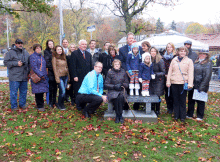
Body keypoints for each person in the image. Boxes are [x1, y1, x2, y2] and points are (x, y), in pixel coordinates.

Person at [166, 46, 194, 122]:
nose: (182, 52)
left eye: (184, 51)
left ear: (186, 52)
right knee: (175, 100)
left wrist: (190, 83)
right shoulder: (174, 60)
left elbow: (191, 73)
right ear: (178, 52)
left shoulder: (189, 61)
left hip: (183, 83)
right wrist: (168, 81)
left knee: (182, 100)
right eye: (181, 51)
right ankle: (176, 115)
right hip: (174, 82)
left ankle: (182, 116)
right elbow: (170, 72)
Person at [4, 39, 30, 110]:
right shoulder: (10, 52)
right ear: (15, 44)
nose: (20, 44)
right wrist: (16, 63)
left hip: (24, 76)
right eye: (18, 43)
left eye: (21, 43)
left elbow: (29, 63)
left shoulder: (26, 52)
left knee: (24, 92)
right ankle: (14, 106)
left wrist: (29, 73)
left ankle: (22, 104)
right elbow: (5, 62)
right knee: (13, 93)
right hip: (14, 76)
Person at [186, 50, 212, 121]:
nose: (202, 55)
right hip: (193, 84)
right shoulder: (195, 62)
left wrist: (201, 87)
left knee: (200, 101)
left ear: (206, 55)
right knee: (191, 100)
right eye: (200, 54)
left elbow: (207, 77)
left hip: (201, 85)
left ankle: (200, 116)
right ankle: (189, 114)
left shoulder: (208, 64)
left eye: (203, 54)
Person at [104, 59, 129, 123]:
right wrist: (114, 86)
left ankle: (119, 115)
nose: (117, 65)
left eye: (118, 64)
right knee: (116, 97)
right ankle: (119, 116)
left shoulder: (123, 72)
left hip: (121, 90)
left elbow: (127, 83)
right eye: (115, 64)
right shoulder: (110, 72)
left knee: (120, 97)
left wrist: (121, 85)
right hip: (113, 90)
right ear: (113, 65)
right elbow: (106, 84)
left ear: (120, 65)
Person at [30, 44, 48, 111]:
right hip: (38, 77)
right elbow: (34, 67)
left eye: (40, 48)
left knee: (41, 92)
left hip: (43, 77)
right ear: (34, 49)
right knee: (38, 92)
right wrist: (41, 75)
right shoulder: (33, 56)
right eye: (37, 48)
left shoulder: (41, 57)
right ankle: (40, 106)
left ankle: (41, 104)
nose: (39, 49)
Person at [52, 45, 70, 110]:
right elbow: (54, 69)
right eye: (58, 49)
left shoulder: (64, 57)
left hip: (65, 76)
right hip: (59, 77)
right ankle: (59, 104)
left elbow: (67, 67)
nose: (59, 51)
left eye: (60, 49)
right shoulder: (54, 58)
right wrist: (57, 78)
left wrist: (68, 77)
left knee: (64, 91)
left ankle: (62, 103)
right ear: (56, 51)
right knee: (62, 91)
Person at [149, 47, 165, 116]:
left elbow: (163, 72)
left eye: (154, 51)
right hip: (151, 81)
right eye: (151, 51)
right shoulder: (148, 59)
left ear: (156, 52)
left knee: (157, 96)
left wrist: (155, 74)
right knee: (151, 95)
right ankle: (152, 109)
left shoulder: (160, 60)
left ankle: (157, 110)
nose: (153, 52)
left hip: (158, 81)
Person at [184, 40, 198, 117]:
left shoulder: (194, 55)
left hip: (192, 78)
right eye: (185, 44)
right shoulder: (182, 54)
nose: (187, 46)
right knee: (182, 96)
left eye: (188, 44)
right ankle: (182, 111)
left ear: (190, 45)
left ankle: (190, 113)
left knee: (191, 98)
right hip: (183, 78)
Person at [162, 43, 176, 114]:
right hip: (165, 77)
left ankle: (173, 107)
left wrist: (171, 74)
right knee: (167, 93)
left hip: (173, 77)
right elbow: (162, 67)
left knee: (173, 93)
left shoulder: (175, 57)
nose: (169, 48)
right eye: (168, 47)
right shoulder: (163, 57)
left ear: (173, 48)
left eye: (170, 47)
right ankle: (169, 107)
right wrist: (165, 74)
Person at [44, 39, 57, 108]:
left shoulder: (55, 51)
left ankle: (54, 101)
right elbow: (47, 63)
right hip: (50, 72)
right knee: (50, 87)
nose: (51, 45)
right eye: (49, 44)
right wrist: (53, 68)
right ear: (47, 45)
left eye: (52, 44)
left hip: (56, 73)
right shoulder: (46, 52)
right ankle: (50, 102)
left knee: (55, 87)